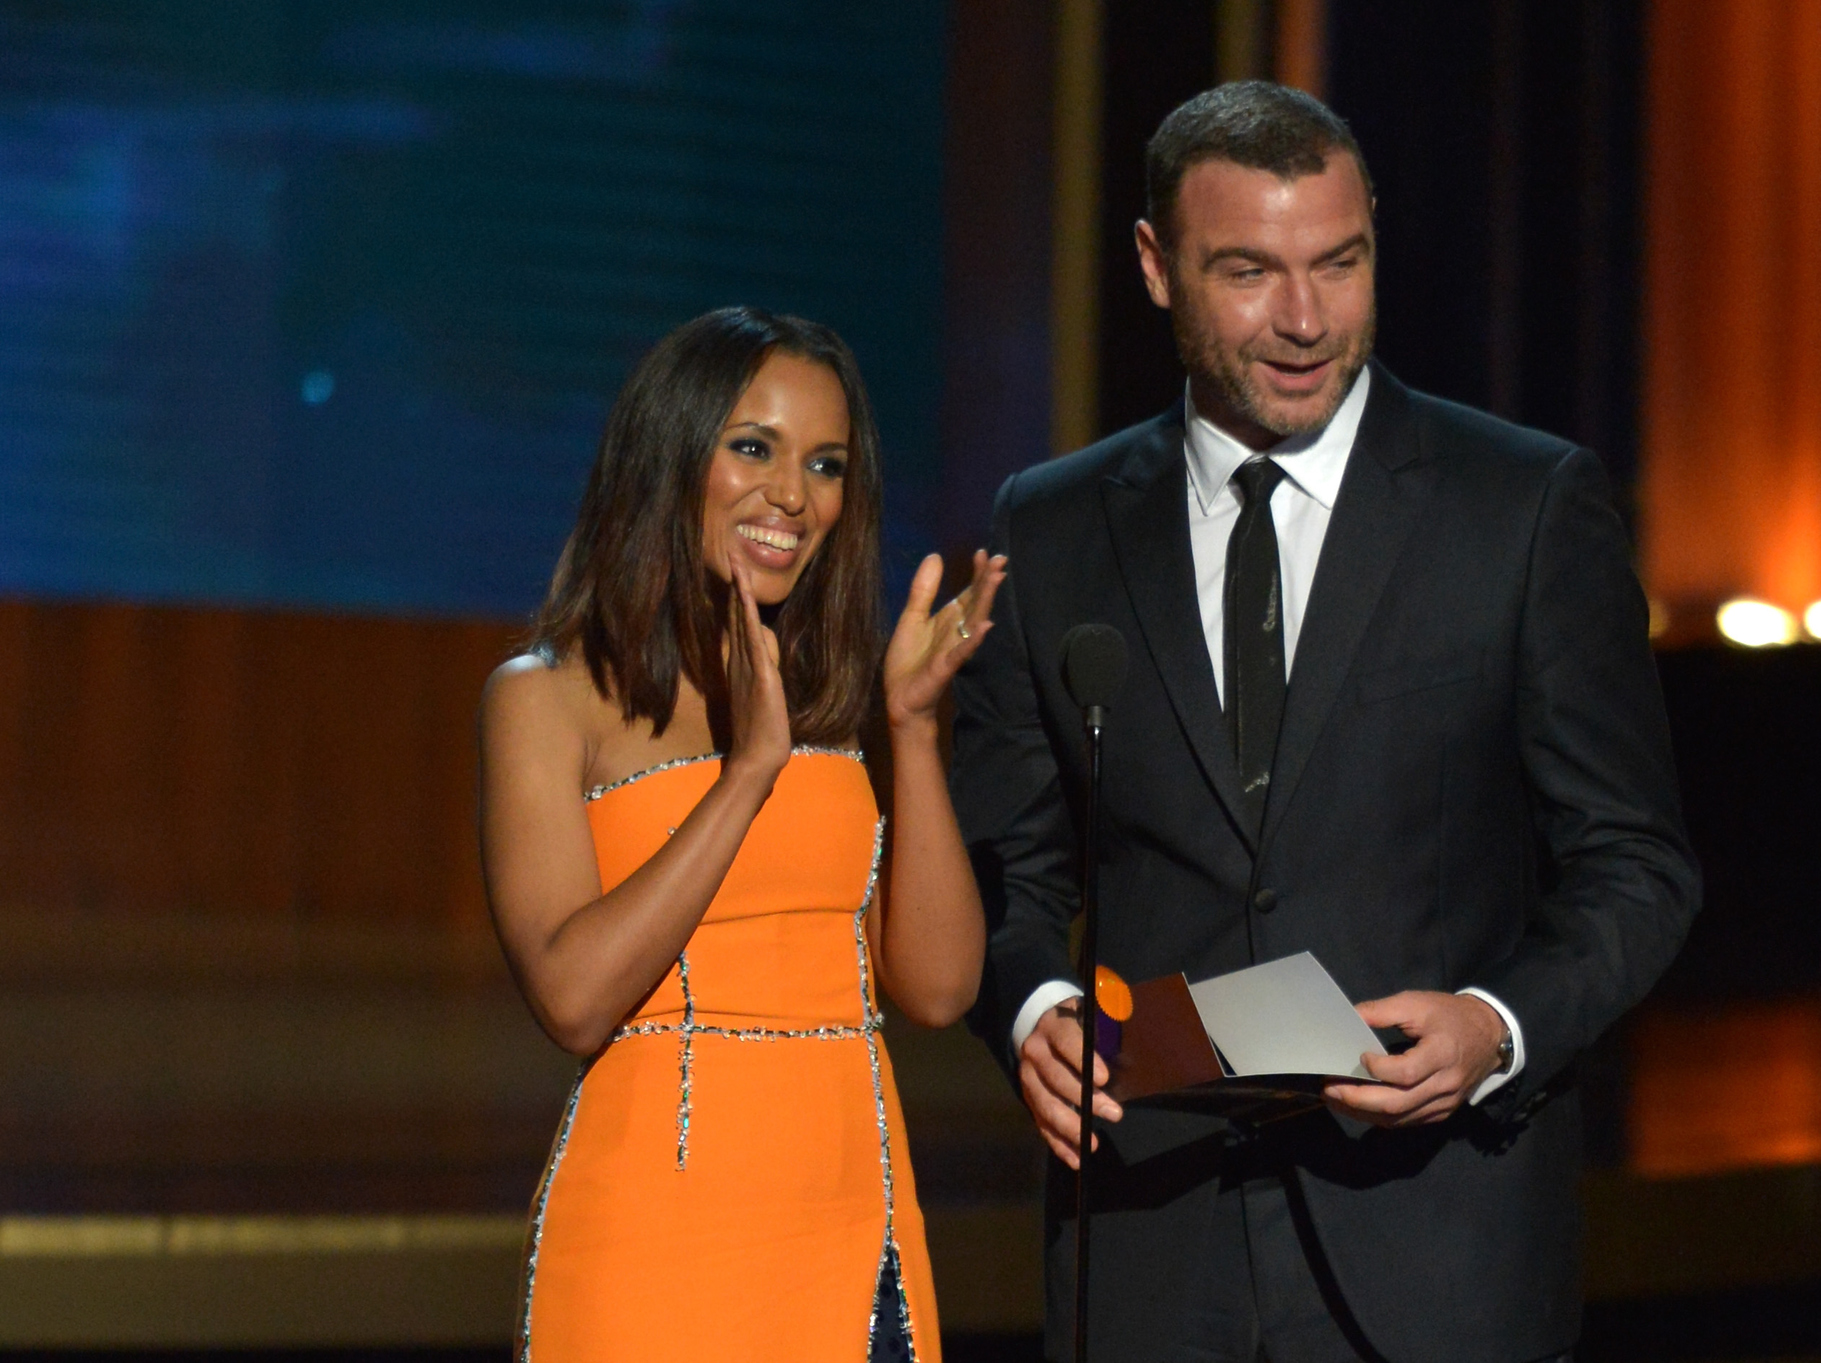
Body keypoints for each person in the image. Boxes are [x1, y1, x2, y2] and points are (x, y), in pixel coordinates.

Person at [952, 83, 1701, 1363]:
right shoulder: (1054, 526)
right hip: (1146, 1248)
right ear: (1153, 265)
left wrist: (1494, 1025)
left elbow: (1635, 866)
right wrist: (1032, 1010)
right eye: (1247, 271)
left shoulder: (1519, 508)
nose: (1303, 321)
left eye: (1336, 265)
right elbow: (1002, 872)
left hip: (1438, 1246)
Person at [482, 306, 1003, 1362]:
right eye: (752, 448)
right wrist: (745, 776)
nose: (791, 497)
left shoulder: (835, 695)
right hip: (656, 1233)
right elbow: (573, 1000)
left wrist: (907, 727)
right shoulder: (548, 696)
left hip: (848, 1214)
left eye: (824, 465)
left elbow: (940, 989)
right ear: (671, 453)